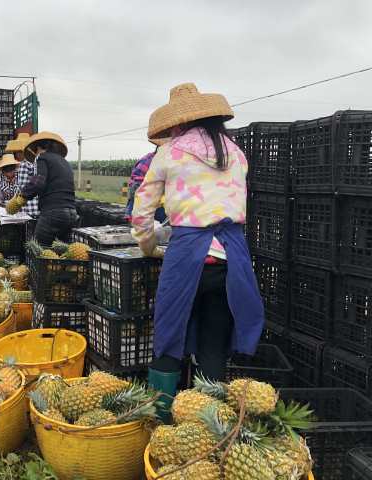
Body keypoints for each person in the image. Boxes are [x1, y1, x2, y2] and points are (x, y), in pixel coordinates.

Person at [131, 83, 264, 409]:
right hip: (231, 259)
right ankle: (209, 423)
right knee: (214, 345)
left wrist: (148, 245)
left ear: (179, 123)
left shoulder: (169, 152)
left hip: (186, 256)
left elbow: (141, 212)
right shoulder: (236, 153)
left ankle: (159, 418)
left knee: (167, 338)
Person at [10, 132, 77, 245]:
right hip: (71, 213)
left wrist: (21, 198)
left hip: (53, 212)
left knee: (38, 249)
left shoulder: (42, 157)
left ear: (38, 148)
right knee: (62, 250)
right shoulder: (65, 162)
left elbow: (38, 182)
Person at [125, 143, 168, 222]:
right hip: (144, 202)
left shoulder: (165, 161)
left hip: (154, 202)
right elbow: (137, 186)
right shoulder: (149, 161)